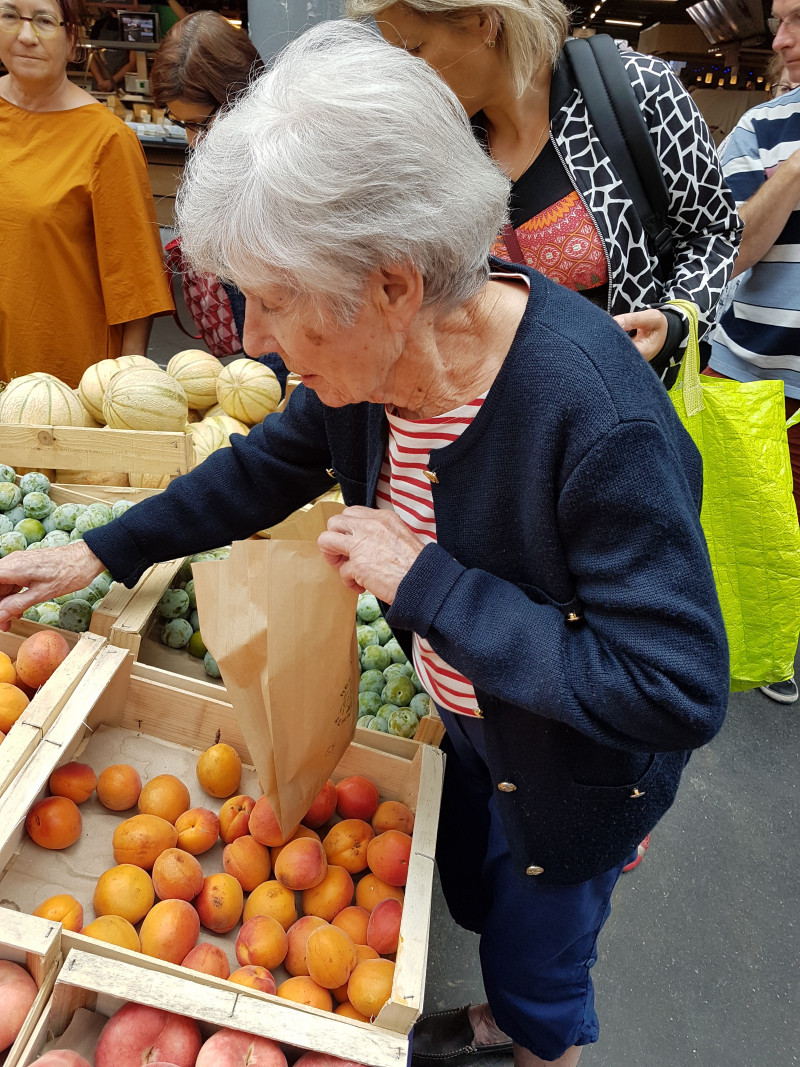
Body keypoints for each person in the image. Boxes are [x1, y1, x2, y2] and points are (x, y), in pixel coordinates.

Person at [0, 22, 729, 1067]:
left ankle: (538, 1039)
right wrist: (101, 552)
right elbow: (259, 470)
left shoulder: (591, 423)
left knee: (541, 943)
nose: (249, 338)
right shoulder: (378, 374)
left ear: (391, 285)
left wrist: (425, 580)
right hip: (476, 722)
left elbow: (670, 686)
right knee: (479, 893)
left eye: (276, 300)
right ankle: (504, 1009)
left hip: (578, 769)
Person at [347, 0, 740, 385]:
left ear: (483, 22)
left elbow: (714, 233)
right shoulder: (442, 141)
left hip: (623, 403)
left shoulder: (638, 90)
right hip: (495, 417)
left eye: (415, 49)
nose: (410, 75)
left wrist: (677, 320)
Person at [0, 0, 173, 387]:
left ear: (72, 39)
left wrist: (123, 396)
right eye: (10, 15)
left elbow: (136, 287)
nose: (25, 35)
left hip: (64, 386)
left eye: (44, 20)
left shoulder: (106, 140)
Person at [708, 0, 800, 707]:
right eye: (778, 20)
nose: (782, 40)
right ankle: (769, 643)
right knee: (756, 540)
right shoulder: (758, 129)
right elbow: (731, 249)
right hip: (760, 385)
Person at [150, 10, 287, 388]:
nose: (193, 141)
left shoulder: (286, 163)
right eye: (182, 125)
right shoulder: (227, 151)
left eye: (200, 123)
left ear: (239, 96)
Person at [88, 11, 136, 93]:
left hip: (123, 86)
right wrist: (101, 82)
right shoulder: (99, 24)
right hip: (100, 86)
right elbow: (91, 55)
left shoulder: (132, 27)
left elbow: (133, 63)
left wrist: (112, 82)